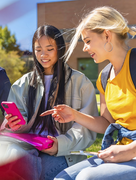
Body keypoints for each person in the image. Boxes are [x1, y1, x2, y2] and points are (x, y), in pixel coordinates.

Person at [39, 6, 136, 180]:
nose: (84, 48)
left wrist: (129, 150)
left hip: (130, 152)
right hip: (120, 152)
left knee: (87, 177)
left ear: (107, 35)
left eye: (88, 40)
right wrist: (74, 115)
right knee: (61, 178)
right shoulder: (104, 78)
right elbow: (107, 123)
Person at [0, 25, 98, 180]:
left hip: (60, 152)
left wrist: (60, 144)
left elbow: (86, 127)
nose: (43, 55)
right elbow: (13, 125)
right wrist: (13, 125)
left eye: (49, 49)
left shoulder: (80, 82)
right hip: (26, 147)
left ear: (60, 49)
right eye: (38, 49)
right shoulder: (22, 84)